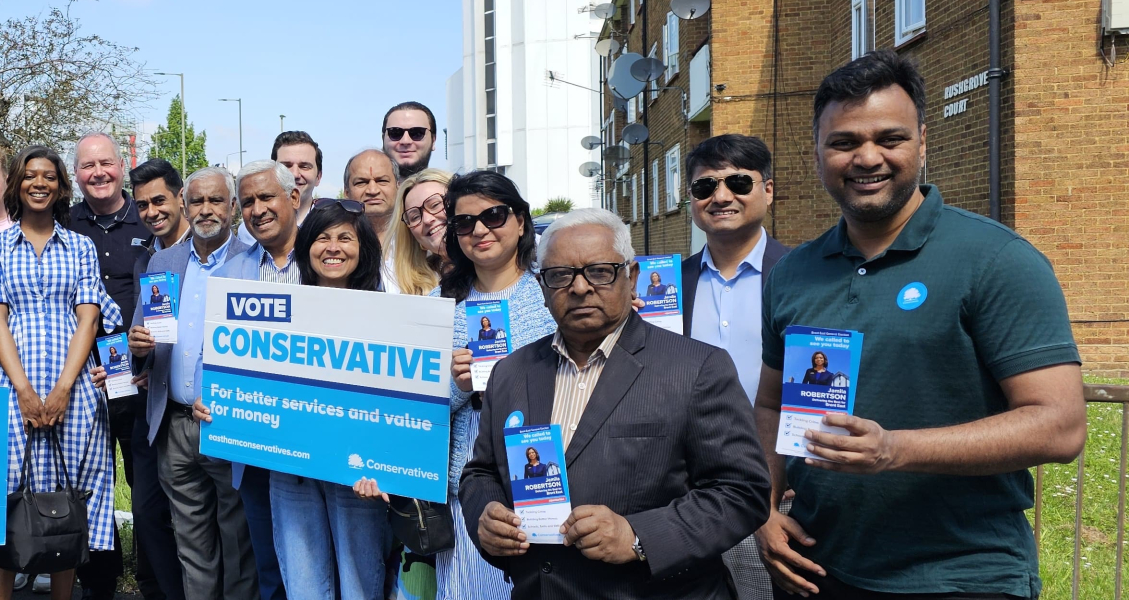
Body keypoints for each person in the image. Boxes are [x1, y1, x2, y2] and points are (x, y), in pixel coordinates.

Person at [754, 51, 1086, 600]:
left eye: (890, 138)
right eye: (843, 142)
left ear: (923, 142)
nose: (867, 158)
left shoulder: (996, 259)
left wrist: (895, 449)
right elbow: (771, 406)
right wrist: (764, 508)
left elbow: (1060, 425)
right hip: (817, 568)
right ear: (816, 152)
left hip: (961, 575)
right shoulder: (793, 273)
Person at [460, 208, 770, 599]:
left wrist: (638, 536)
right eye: (560, 276)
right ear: (542, 288)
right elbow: (481, 471)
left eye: (600, 271)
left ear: (632, 277)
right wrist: (484, 515)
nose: (580, 288)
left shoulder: (697, 368)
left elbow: (742, 491)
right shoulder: (511, 372)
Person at [0, 145, 124, 600]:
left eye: (49, 176)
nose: (39, 183)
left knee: (65, 504)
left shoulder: (80, 246)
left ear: (60, 186)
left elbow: (89, 319)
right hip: (12, 388)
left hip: (72, 387)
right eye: (30, 175)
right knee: (6, 502)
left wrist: (64, 389)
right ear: (17, 184)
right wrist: (26, 390)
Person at [388, 168, 556, 600]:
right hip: (467, 498)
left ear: (521, 220)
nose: (480, 230)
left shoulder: (556, 296)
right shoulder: (436, 306)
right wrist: (455, 384)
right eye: (465, 222)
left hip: (549, 491)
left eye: (494, 215)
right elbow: (410, 409)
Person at [126, 164, 260, 600]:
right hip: (174, 425)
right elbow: (140, 337)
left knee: (238, 543)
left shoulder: (253, 263)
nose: (206, 209)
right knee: (191, 543)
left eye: (216, 200)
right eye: (198, 201)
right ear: (184, 204)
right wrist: (137, 348)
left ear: (234, 207)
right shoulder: (162, 261)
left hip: (228, 422)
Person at [63, 133, 179, 600]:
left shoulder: (148, 217)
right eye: (88, 166)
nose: (98, 173)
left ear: (120, 165)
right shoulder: (64, 222)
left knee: (147, 493)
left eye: (106, 163)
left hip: (140, 377)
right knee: (89, 488)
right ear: (77, 175)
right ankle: (100, 584)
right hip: (81, 379)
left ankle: (150, 583)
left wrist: (146, 361)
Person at [258, 199, 393, 600]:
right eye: (322, 237)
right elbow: (253, 382)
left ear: (363, 247)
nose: (333, 247)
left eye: (345, 238)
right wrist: (223, 406)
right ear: (306, 248)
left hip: (359, 475)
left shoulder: (390, 316)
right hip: (292, 470)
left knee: (360, 585)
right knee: (303, 586)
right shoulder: (277, 311)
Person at [677, 133, 791, 600]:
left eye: (739, 182)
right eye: (705, 187)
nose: (721, 196)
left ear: (768, 189)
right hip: (689, 492)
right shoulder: (665, 289)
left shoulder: (804, 277)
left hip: (783, 491)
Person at [214, 160, 302, 600]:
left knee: (323, 564)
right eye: (247, 201)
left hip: (317, 439)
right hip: (255, 445)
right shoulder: (229, 274)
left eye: (267, 197)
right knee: (270, 568)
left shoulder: (327, 260)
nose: (258, 209)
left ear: (294, 199)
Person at [391, 168, 452, 295]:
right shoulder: (415, 294)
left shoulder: (497, 269)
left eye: (435, 205)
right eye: (415, 217)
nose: (427, 219)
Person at [134, 158, 191, 250]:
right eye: (142, 205)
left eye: (159, 201)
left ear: (181, 198)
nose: (151, 213)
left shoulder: (208, 251)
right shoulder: (144, 259)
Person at [382, 102, 438, 179]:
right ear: (383, 139)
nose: (405, 141)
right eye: (395, 133)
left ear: (433, 140)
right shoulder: (364, 190)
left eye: (417, 133)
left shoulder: (451, 190)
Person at [272, 131, 324, 209]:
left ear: (318, 177)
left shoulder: (334, 220)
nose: (294, 174)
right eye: (286, 166)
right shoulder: (256, 218)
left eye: (304, 167)